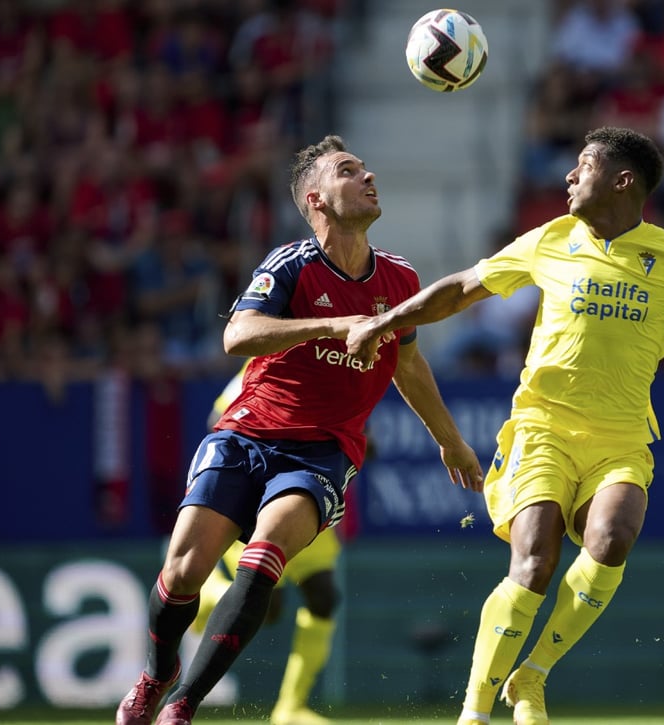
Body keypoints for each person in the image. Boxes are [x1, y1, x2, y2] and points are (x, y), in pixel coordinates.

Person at [346, 127, 664, 725]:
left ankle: (532, 676)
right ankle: (474, 712)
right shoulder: (552, 239)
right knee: (535, 561)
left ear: (622, 181)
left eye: (584, 166)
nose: (570, 177)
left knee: (612, 539)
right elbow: (461, 289)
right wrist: (386, 321)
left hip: (621, 437)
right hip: (542, 428)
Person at [115, 135, 485, 725]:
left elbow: (408, 364)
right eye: (349, 171)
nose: (368, 177)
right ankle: (157, 675)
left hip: (322, 451)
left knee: (266, 559)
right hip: (246, 433)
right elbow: (237, 336)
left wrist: (449, 438)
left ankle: (182, 706)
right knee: (183, 569)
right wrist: (334, 325)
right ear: (317, 199)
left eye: (366, 168)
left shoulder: (400, 278)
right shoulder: (291, 264)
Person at [190, 360, 347, 725]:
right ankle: (205, 597)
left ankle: (290, 707)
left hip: (309, 490)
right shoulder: (271, 359)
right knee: (265, 607)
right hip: (263, 494)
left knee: (324, 595)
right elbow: (219, 417)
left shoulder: (350, 367)